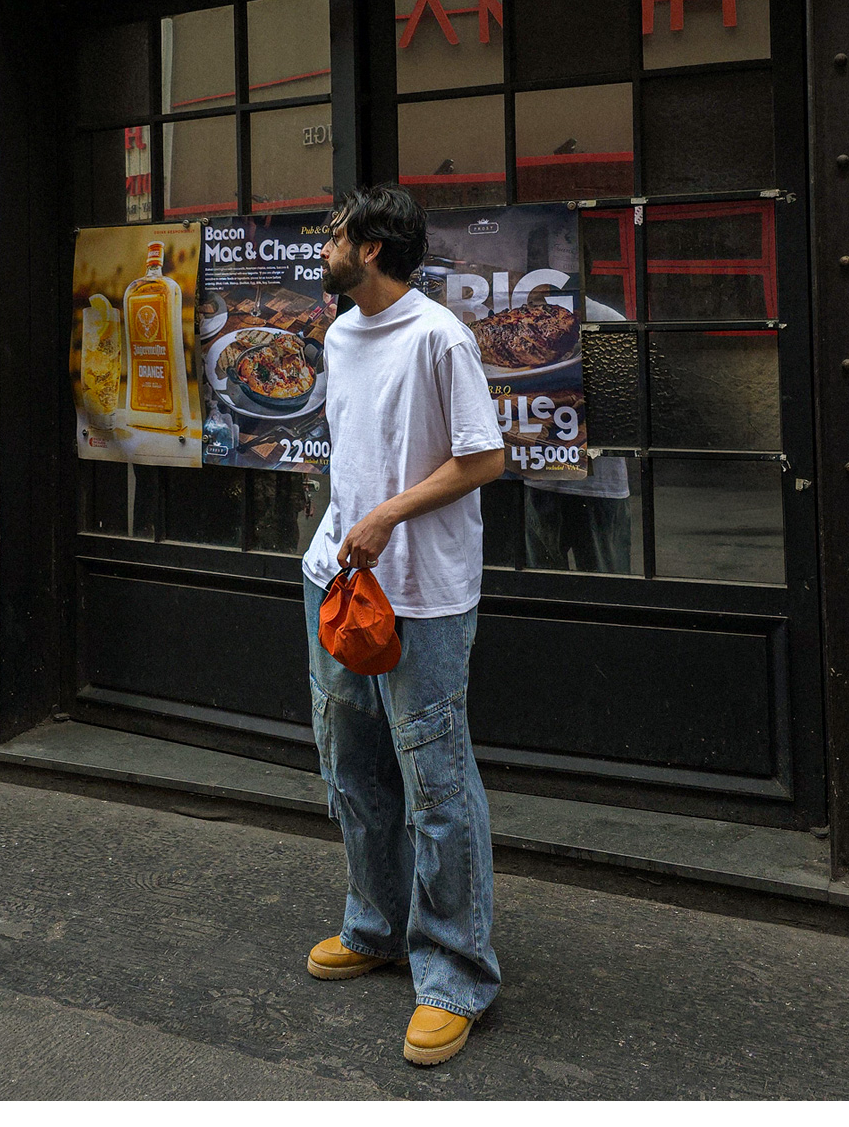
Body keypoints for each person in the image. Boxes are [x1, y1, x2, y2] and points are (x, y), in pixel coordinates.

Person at [301, 184, 505, 1066]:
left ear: (372, 248)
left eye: (334, 235)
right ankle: (377, 926)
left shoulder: (439, 337)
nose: (324, 247)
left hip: (424, 594)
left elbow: (483, 457)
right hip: (337, 583)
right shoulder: (340, 335)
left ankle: (456, 974)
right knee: (352, 768)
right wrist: (339, 536)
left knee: (437, 785)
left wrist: (387, 515)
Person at [524, 296, 633, 574]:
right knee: (601, 582)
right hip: (547, 479)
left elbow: (627, 404)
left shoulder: (607, 320)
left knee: (553, 582)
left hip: (593, 481)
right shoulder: (608, 318)